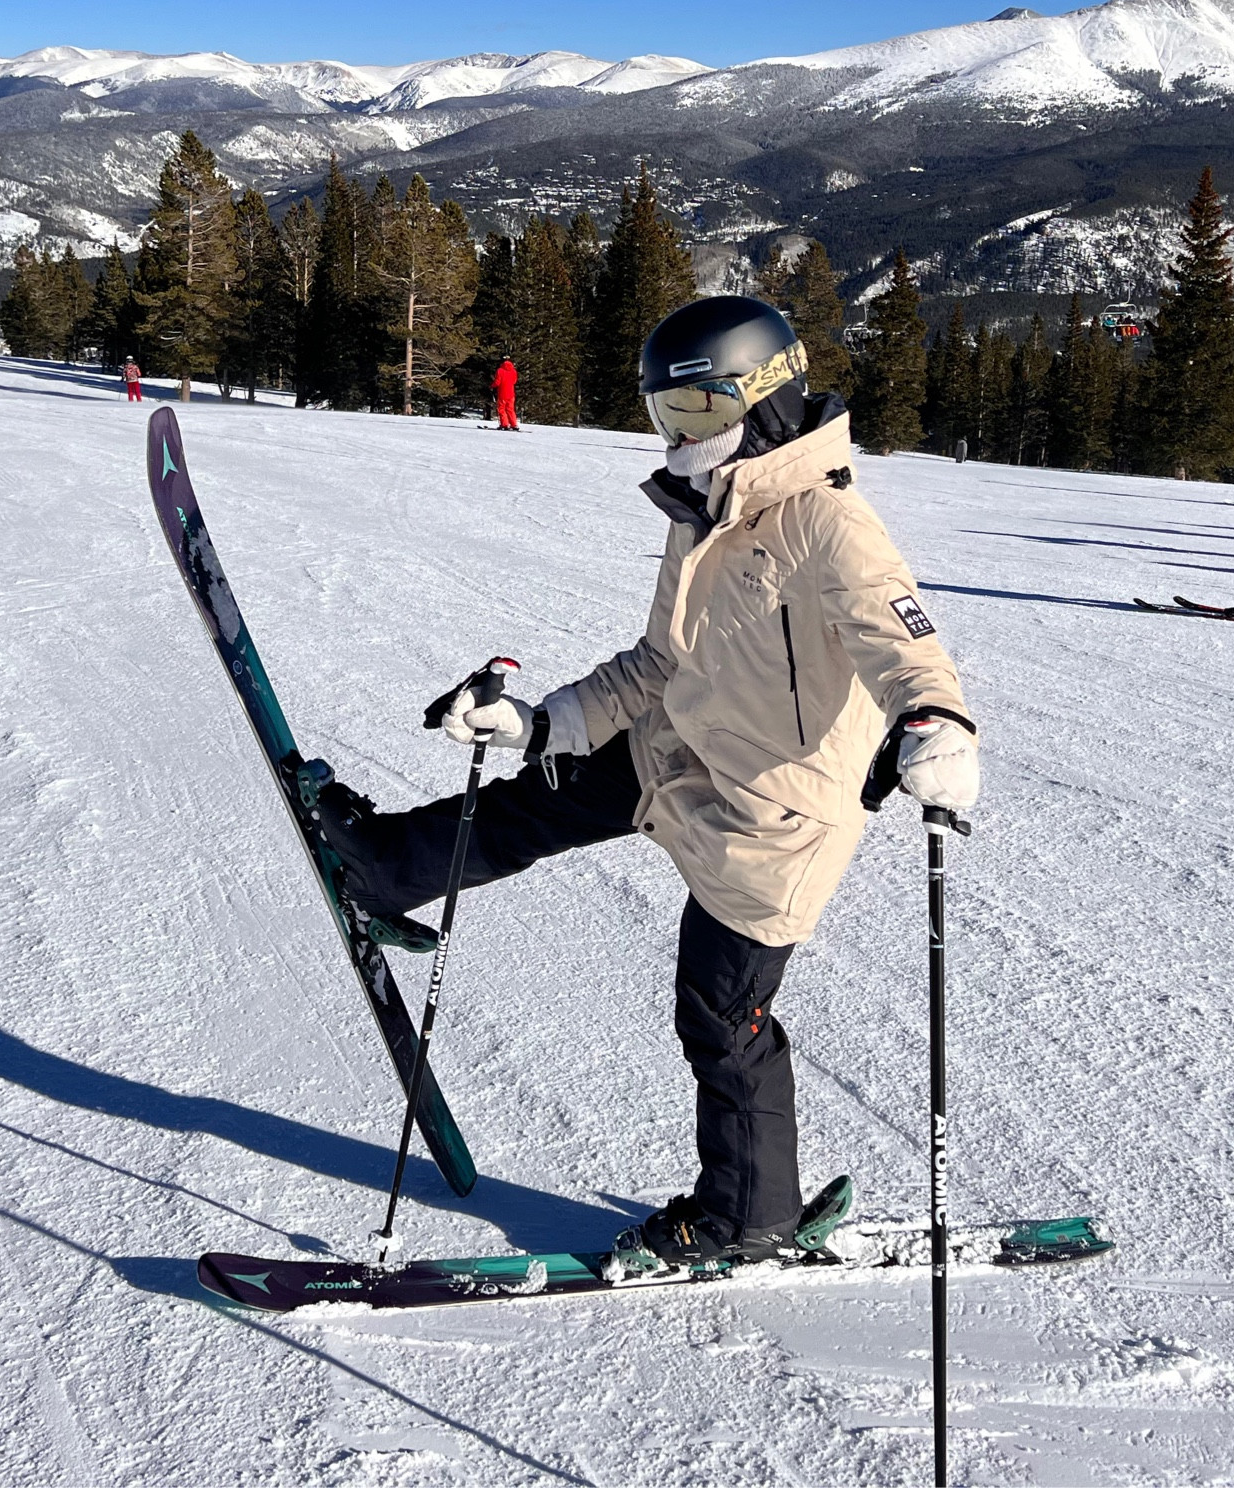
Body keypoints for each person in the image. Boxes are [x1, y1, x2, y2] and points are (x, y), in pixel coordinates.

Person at [312, 296, 979, 1268]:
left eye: (698, 415)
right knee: (537, 796)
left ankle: (745, 1213)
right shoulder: (709, 508)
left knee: (720, 1015)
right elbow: (657, 662)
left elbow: (906, 643)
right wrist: (543, 721)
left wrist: (936, 724)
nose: (678, 439)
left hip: (770, 816)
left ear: (762, 402)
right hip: (680, 749)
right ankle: (381, 869)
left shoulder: (830, 525)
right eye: (666, 417)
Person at [493, 355, 519, 432]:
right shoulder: (513, 371)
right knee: (510, 409)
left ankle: (504, 424)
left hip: (502, 393)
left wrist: (491, 386)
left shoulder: (500, 370)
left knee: (502, 409)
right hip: (511, 393)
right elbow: (514, 381)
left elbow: (497, 382)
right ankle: (514, 424)